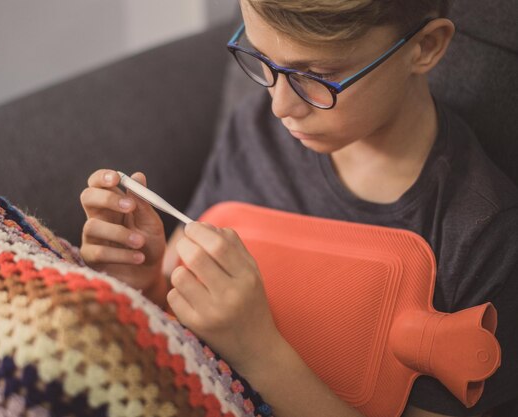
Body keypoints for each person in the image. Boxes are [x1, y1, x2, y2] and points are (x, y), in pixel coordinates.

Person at [79, 0, 518, 416]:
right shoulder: (254, 135)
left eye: (318, 76)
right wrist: (142, 277)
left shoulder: (482, 235)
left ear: (425, 47)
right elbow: (174, 313)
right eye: (262, 57)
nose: (280, 106)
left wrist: (259, 353)